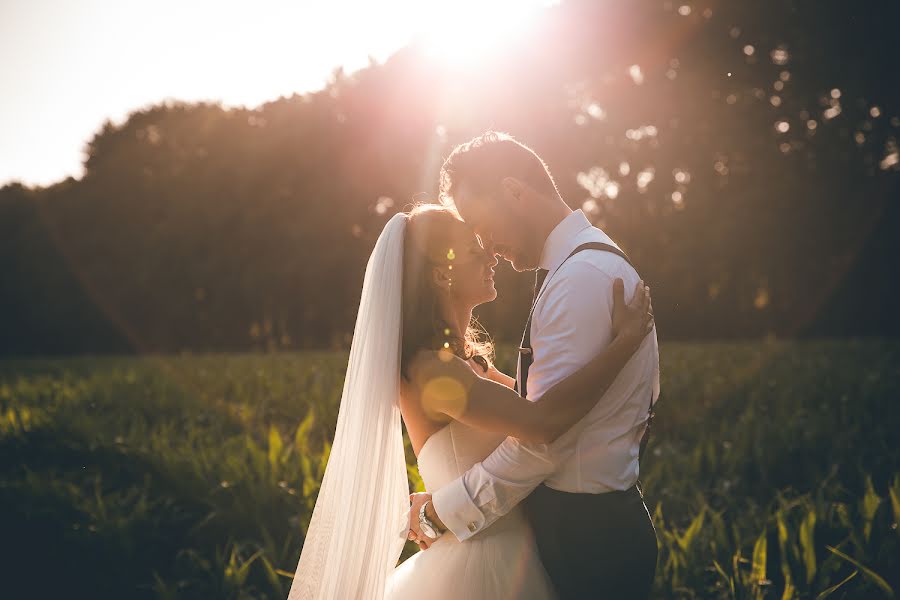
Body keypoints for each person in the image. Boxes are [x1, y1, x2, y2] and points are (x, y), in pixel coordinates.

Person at [287, 198, 654, 599]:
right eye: (476, 252)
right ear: (443, 276)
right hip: (481, 568)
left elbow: (549, 412)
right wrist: (624, 344)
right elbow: (540, 426)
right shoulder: (433, 370)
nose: (491, 257)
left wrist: (440, 506)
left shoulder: (466, 363)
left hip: (515, 552)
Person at [407, 132, 661, 599]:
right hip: (568, 533)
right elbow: (540, 419)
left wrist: (444, 509)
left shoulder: (579, 280)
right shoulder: (580, 267)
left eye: (482, 225)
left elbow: (545, 437)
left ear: (515, 192)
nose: (487, 247)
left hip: (588, 536)